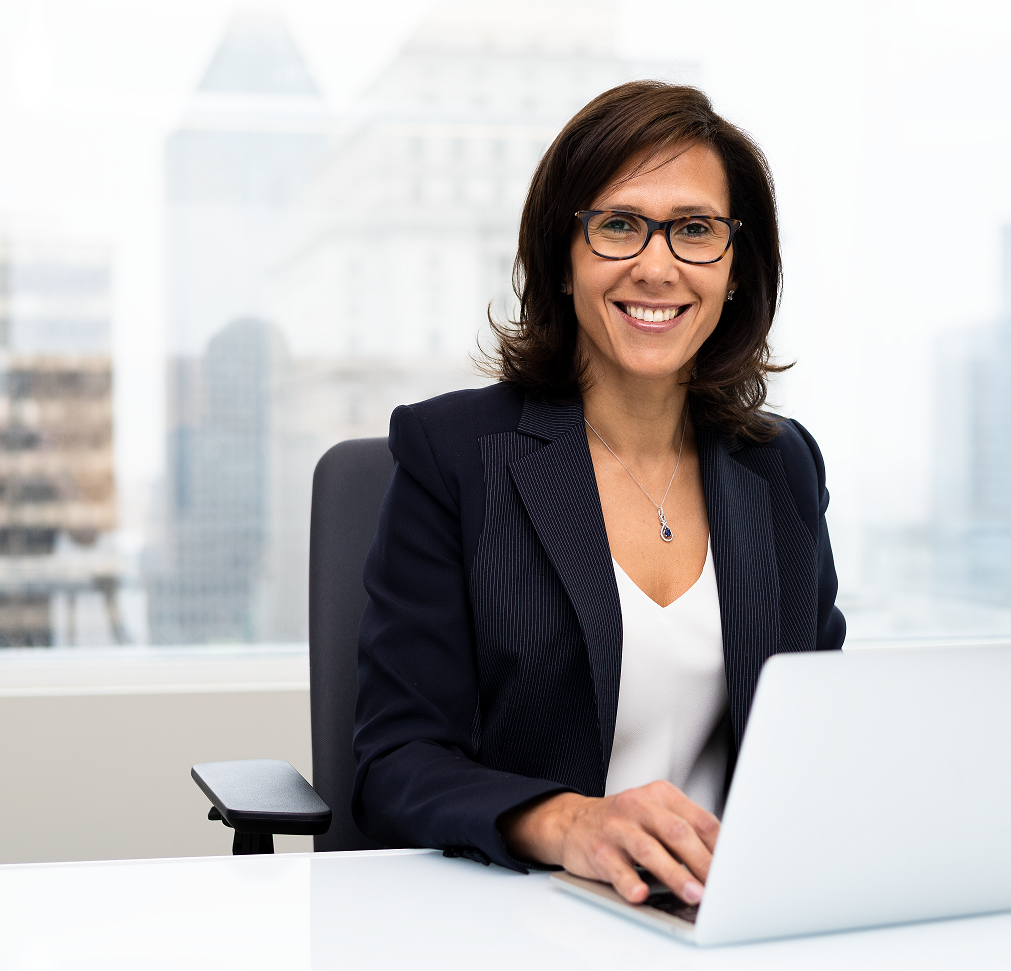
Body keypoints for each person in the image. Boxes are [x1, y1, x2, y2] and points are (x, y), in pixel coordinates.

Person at [351, 80, 846, 909]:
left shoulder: (782, 467)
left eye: (694, 230)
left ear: (735, 269)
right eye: (619, 225)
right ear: (563, 257)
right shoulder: (455, 456)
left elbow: (817, 734)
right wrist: (571, 823)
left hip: (728, 917)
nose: (657, 266)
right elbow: (395, 760)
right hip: (524, 916)